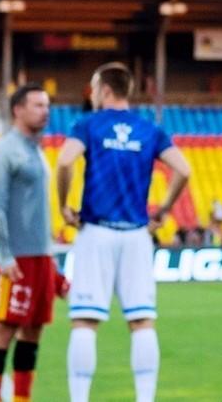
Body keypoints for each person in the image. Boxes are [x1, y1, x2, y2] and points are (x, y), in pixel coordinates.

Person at [56, 63, 191, 402]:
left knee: (85, 321)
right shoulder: (149, 129)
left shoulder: (88, 124)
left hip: (96, 231)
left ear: (104, 90)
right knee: (142, 320)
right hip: (136, 234)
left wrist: (63, 205)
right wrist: (162, 211)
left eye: (93, 88)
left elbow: (65, 161)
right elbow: (184, 170)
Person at [0, 84, 69, 402]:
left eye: (47, 105)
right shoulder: (4, 151)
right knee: (4, 329)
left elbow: (38, 212)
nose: (46, 111)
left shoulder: (37, 150)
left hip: (41, 257)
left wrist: (51, 260)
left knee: (33, 331)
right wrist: (4, 256)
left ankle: (22, 398)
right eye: (38, 105)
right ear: (18, 110)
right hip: (16, 258)